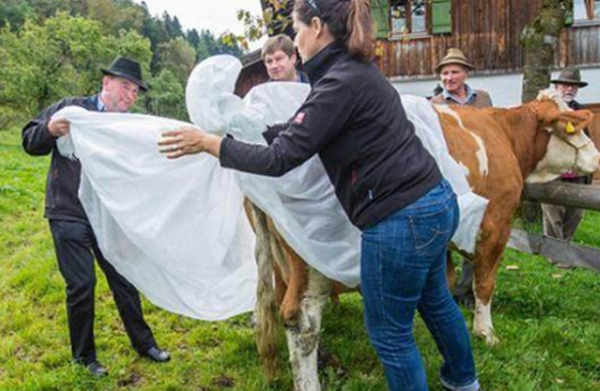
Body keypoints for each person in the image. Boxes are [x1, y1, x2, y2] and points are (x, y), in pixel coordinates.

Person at [159, 1, 481, 390]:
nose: (295, 40)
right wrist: (245, 132)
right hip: (433, 202)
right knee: (436, 302)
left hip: (400, 219)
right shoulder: (351, 73)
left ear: (316, 27)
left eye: (296, 30)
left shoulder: (338, 82)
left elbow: (281, 159)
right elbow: (301, 130)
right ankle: (463, 381)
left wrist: (211, 145)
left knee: (391, 335)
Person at [22, 56, 170, 377]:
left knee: (124, 278)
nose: (130, 95)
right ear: (106, 83)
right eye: (125, 87)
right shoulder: (72, 109)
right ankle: (84, 358)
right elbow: (29, 141)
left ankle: (145, 344)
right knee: (81, 285)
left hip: (108, 215)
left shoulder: (128, 126)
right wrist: (49, 129)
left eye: (135, 91)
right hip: (68, 212)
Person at [430, 48, 494, 306]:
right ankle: (445, 289)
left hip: (482, 174)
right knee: (446, 232)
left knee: (476, 228)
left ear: (465, 73)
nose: (448, 77)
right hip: (451, 175)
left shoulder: (484, 99)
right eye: (444, 73)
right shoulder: (435, 105)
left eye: (454, 71)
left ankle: (467, 289)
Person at [541, 68, 592, 266]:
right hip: (554, 171)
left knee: (576, 213)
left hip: (577, 172)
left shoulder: (581, 111)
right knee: (553, 214)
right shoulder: (547, 110)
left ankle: (566, 249)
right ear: (557, 87)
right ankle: (555, 255)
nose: (569, 89)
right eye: (565, 85)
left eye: (574, 86)